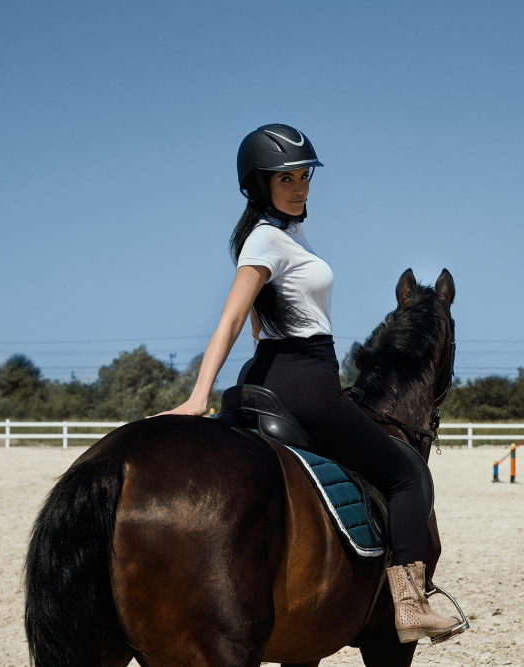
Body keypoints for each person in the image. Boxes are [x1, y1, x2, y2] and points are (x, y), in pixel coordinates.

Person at [159, 123, 463, 644]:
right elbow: (231, 320)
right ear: (259, 186)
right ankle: (410, 606)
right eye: (286, 179)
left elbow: (260, 321)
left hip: (270, 371)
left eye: (305, 177)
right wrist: (196, 397)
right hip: (304, 380)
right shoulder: (266, 240)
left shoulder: (282, 236)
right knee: (409, 474)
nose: (300, 188)